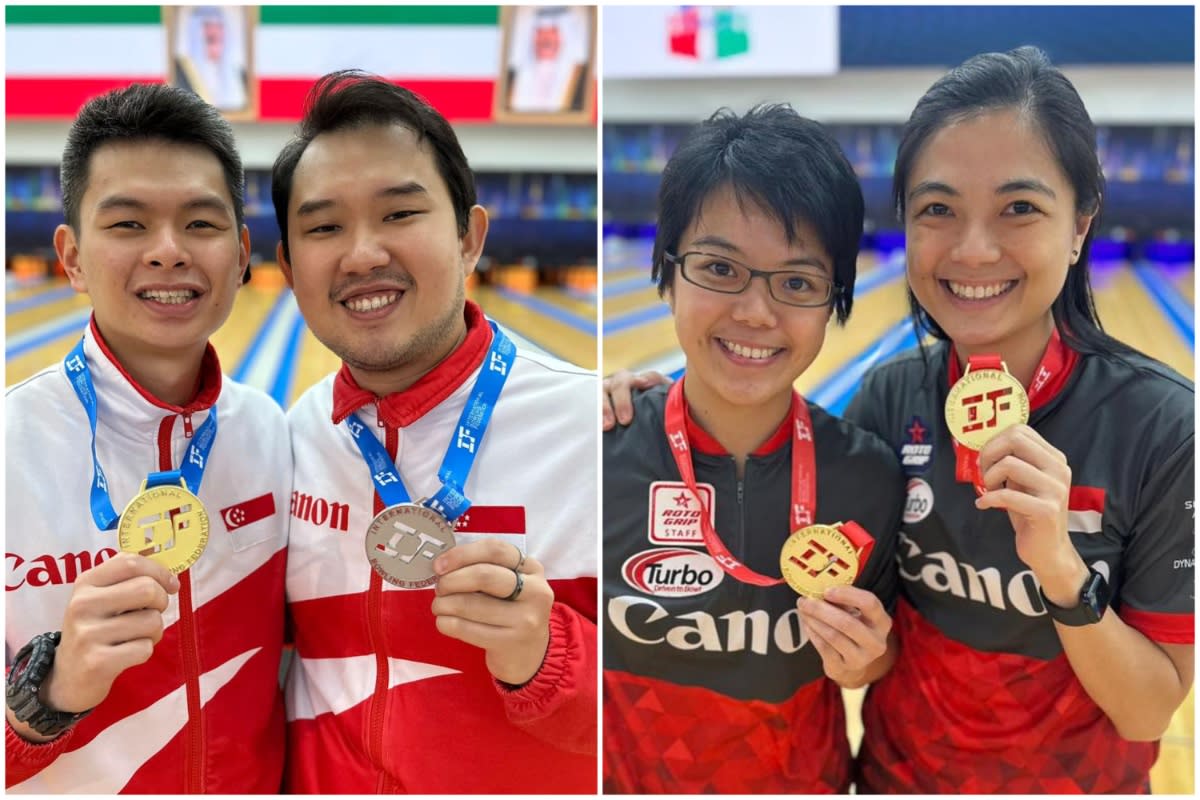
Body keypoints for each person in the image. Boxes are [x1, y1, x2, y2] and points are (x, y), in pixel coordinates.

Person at [605, 46, 1194, 794]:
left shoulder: (1165, 428)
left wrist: (1060, 570)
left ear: (1080, 225)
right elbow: (787, 476)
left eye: (1019, 208)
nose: (974, 247)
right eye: (938, 210)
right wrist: (639, 406)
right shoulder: (889, 405)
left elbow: (1148, 715)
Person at [271, 70, 597, 793]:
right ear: (289, 269)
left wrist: (549, 657)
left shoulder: (596, 434)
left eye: (399, 214)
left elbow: (663, 713)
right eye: (324, 227)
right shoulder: (288, 441)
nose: (361, 255)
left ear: (470, 236)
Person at [602, 105, 904, 794]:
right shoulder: (596, 452)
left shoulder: (868, 475)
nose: (755, 314)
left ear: (836, 299)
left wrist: (863, 661)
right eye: (719, 269)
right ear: (667, 272)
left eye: (797, 283)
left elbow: (881, 658)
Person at [5, 84, 290, 793]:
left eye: (200, 223)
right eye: (128, 225)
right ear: (70, 256)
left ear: (243, 251)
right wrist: (46, 697)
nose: (168, 252)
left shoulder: (279, 437)